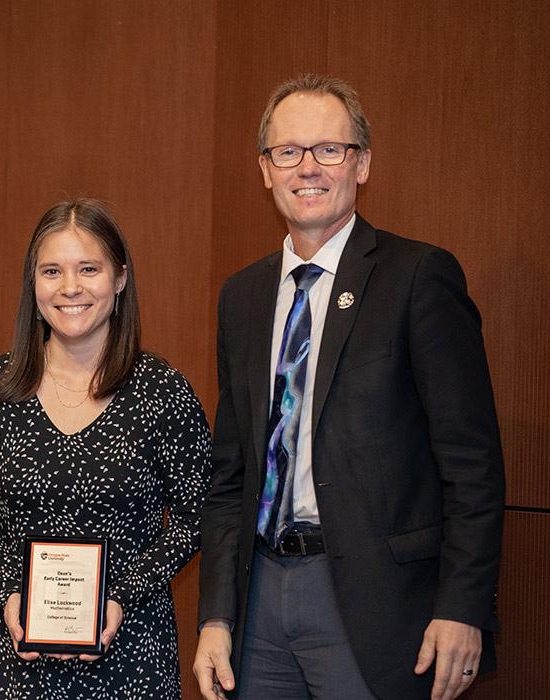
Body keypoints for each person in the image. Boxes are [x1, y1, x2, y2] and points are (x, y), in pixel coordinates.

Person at [192, 74, 505, 700]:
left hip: (378, 606)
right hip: (261, 605)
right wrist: (217, 615)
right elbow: (230, 475)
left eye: (329, 149)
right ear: (264, 169)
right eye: (288, 152)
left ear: (362, 164)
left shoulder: (417, 277)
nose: (308, 168)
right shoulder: (243, 296)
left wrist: (463, 605)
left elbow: (471, 464)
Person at [0, 199, 211, 699]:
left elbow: (194, 516)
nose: (70, 287)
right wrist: (8, 593)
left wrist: (120, 594)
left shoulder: (163, 391)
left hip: (130, 649)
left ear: (120, 279)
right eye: (52, 271)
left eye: (88, 268)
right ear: (33, 283)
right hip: (12, 651)